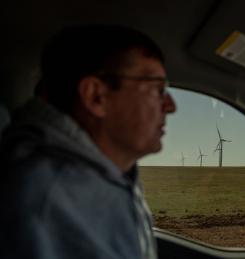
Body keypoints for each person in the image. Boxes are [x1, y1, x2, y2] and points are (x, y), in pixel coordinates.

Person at [0, 25, 176, 259]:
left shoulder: (107, 173)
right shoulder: (48, 201)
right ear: (96, 96)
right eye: (157, 89)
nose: (170, 106)